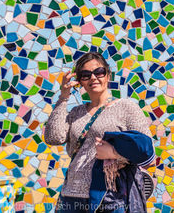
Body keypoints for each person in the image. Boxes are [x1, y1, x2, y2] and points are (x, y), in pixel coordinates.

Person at [44, 52, 154, 212]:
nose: (93, 78)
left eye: (99, 72)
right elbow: (53, 137)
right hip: (71, 196)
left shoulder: (126, 107)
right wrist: (63, 97)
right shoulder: (76, 112)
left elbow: (148, 155)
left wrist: (114, 153)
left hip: (109, 197)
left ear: (108, 75)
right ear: (80, 81)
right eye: (85, 75)